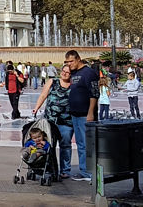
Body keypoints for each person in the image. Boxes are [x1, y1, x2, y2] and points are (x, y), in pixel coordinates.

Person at [33, 64, 73, 179]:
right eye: (63, 71)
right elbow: (43, 95)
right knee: (49, 145)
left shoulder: (73, 85)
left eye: (68, 72)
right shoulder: (52, 82)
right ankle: (50, 168)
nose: (64, 73)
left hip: (66, 121)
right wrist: (36, 108)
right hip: (50, 120)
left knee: (65, 145)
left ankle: (65, 170)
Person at [65, 50, 99, 181]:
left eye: (71, 61)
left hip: (86, 114)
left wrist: (90, 112)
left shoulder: (89, 73)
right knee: (80, 144)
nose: (69, 64)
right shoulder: (74, 73)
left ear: (78, 59)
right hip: (75, 114)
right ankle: (84, 170)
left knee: (87, 144)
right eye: (67, 62)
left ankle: (90, 173)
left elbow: (94, 93)